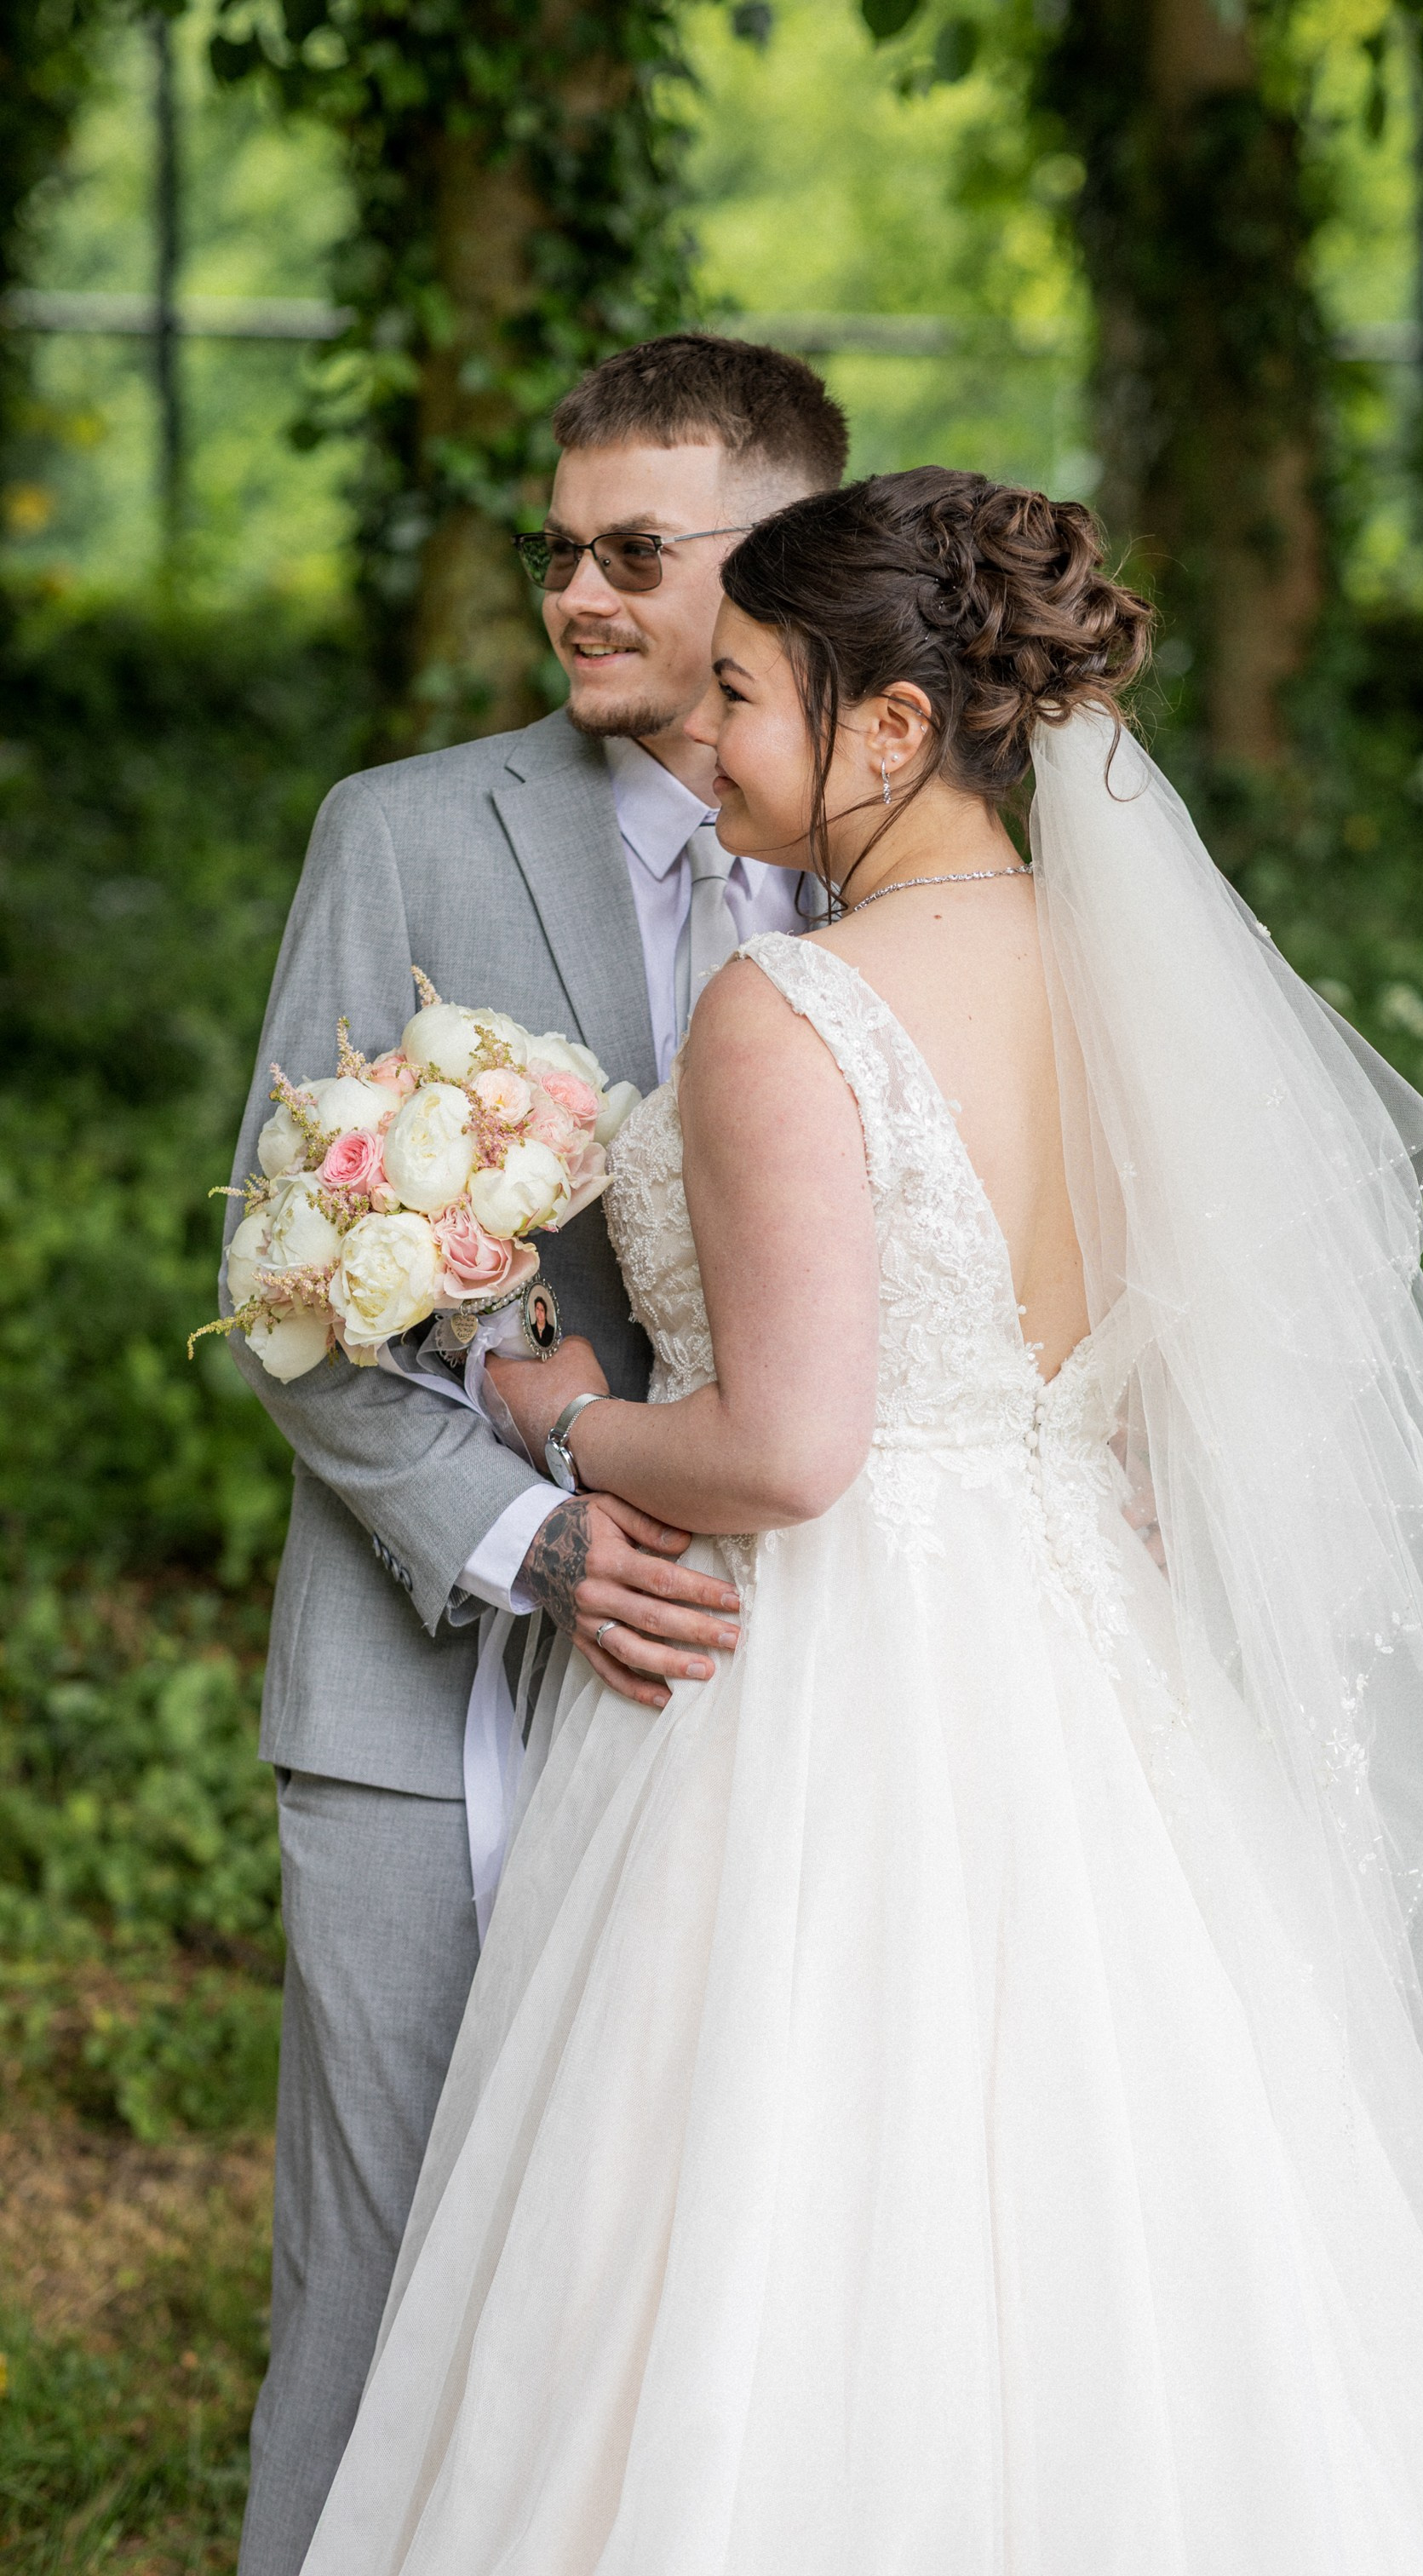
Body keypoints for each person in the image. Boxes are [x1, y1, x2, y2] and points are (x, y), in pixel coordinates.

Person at [300, 469, 1423, 2572]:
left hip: (820, 1670)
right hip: (1077, 1639)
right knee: (1136, 2174)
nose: (701, 735)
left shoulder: (790, 1007)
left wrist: (568, 1418)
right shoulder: (1107, 976)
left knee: (778, 2182)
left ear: (893, 726)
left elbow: (790, 1450)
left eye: (744, 694)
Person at [224, 335, 850, 2576]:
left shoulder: (892, 862)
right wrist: (533, 1541)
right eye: (553, 550)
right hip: (434, 1691)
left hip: (785, 1710)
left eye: (633, 553)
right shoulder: (402, 834)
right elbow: (285, 1284)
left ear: (780, 558)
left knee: (714, 2296)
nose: (575, 594)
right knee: (382, 2284)